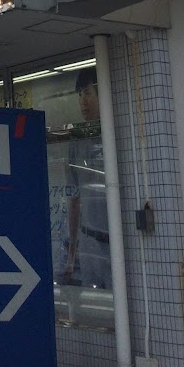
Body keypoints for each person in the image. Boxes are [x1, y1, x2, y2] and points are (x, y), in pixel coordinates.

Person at [63, 69, 111, 289]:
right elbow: (73, 200)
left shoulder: (111, 134)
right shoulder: (77, 140)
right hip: (88, 241)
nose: (83, 101)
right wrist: (71, 254)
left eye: (88, 93)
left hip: (113, 240)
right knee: (93, 301)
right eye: (80, 95)